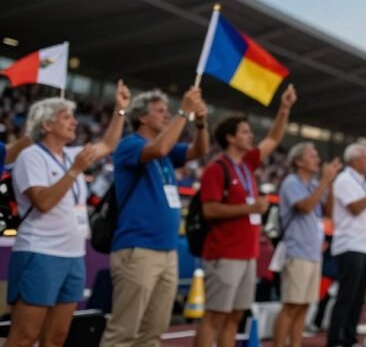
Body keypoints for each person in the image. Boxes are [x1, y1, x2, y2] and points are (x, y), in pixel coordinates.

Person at [7, 82, 131, 347]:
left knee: (58, 338)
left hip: (74, 256)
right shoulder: (31, 157)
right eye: (66, 117)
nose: (75, 122)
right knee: (24, 337)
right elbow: (42, 202)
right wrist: (74, 171)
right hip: (40, 253)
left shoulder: (72, 155)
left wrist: (119, 111)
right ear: (46, 125)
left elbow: (109, 143)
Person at [101, 87, 209, 347]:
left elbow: (199, 150)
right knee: (124, 331)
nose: (167, 115)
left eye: (168, 111)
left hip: (166, 250)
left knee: (154, 332)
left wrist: (202, 124)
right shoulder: (130, 145)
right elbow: (159, 148)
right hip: (138, 248)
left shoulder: (168, 153)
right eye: (160, 111)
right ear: (142, 118)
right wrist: (184, 112)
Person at [193, 84, 297, 347]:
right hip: (224, 253)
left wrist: (284, 109)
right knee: (215, 316)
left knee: (235, 316)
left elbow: (273, 139)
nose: (251, 136)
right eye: (246, 132)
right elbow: (210, 210)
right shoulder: (217, 168)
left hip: (247, 254)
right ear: (230, 137)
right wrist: (249, 209)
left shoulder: (247, 164)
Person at [272, 142, 340, 347]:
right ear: (299, 162)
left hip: (312, 252)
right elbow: (306, 206)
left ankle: (295, 344)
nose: (317, 160)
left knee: (303, 306)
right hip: (296, 251)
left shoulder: (312, 184)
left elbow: (329, 212)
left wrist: (330, 184)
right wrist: (324, 181)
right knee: (291, 305)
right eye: (312, 156)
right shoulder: (291, 182)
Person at [327, 144, 366, 347]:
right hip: (350, 244)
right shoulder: (344, 179)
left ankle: (349, 338)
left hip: (363, 245)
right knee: (347, 295)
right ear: (354, 160)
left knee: (358, 297)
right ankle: (336, 339)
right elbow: (355, 208)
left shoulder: (361, 182)